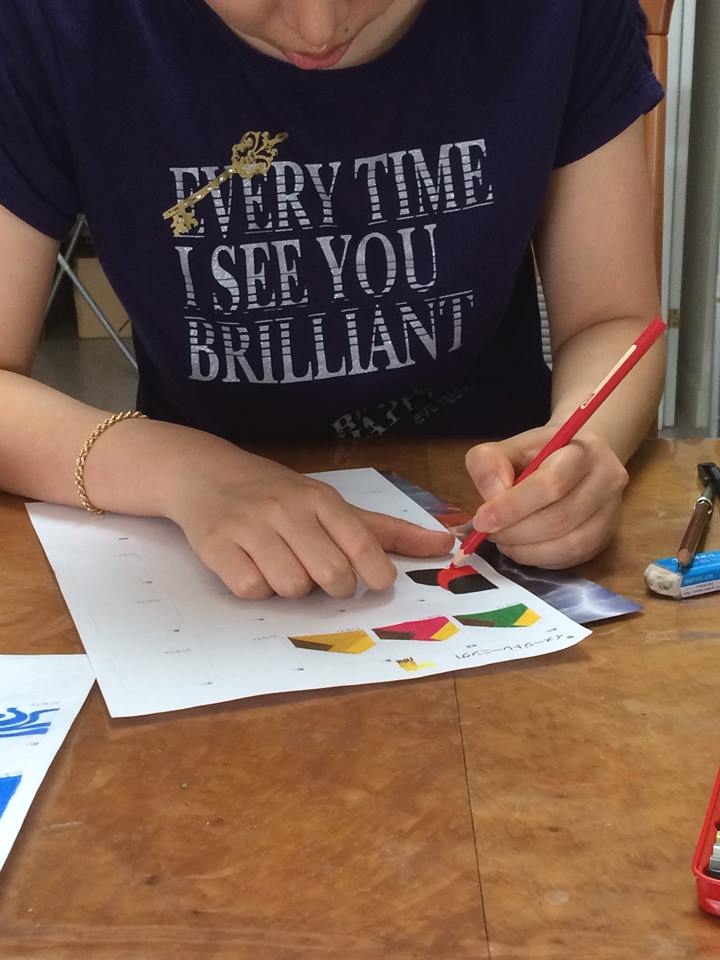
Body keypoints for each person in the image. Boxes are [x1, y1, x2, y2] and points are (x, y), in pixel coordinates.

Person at [0, 0, 666, 599]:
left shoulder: (559, 16)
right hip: (193, 537)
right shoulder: (49, 25)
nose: (318, 30)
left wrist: (585, 444)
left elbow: (613, 321)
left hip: (490, 513)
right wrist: (182, 473)